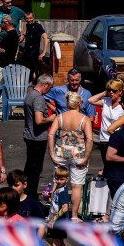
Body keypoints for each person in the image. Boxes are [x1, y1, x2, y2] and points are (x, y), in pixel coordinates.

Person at [47, 90, 93, 220]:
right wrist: (86, 156)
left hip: (61, 152)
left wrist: (51, 153)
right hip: (78, 154)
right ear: (79, 103)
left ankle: (54, 212)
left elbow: (51, 134)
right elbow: (89, 139)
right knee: (76, 185)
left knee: (57, 181)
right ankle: (73, 216)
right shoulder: (84, 119)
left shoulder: (60, 117)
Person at [22, 73, 53, 199]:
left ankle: (25, 192)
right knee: (35, 169)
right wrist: (51, 118)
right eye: (49, 87)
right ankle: (31, 195)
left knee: (29, 166)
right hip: (38, 137)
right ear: (45, 85)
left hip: (29, 135)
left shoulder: (30, 94)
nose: (49, 90)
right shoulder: (38, 98)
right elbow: (39, 120)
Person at [89, 79, 124, 164]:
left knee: (115, 166)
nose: (111, 92)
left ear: (120, 91)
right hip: (103, 139)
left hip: (115, 140)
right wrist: (104, 92)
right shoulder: (106, 101)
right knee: (106, 165)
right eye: (109, 90)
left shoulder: (123, 106)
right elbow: (91, 100)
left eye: (114, 90)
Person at [45, 167, 72, 246]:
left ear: (67, 179)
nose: (59, 181)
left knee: (55, 243)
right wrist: (47, 198)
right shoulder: (58, 189)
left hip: (58, 220)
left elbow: (65, 208)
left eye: (61, 179)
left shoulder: (63, 192)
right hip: (60, 220)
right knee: (61, 242)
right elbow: (55, 202)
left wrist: (53, 219)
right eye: (57, 178)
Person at [19, 10, 48, 84]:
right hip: (26, 54)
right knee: (24, 74)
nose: (29, 20)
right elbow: (25, 38)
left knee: (30, 75)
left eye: (30, 18)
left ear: (33, 17)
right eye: (27, 18)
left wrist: (43, 53)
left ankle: (30, 90)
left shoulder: (38, 26)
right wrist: (22, 35)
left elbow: (46, 38)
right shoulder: (27, 26)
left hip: (33, 54)